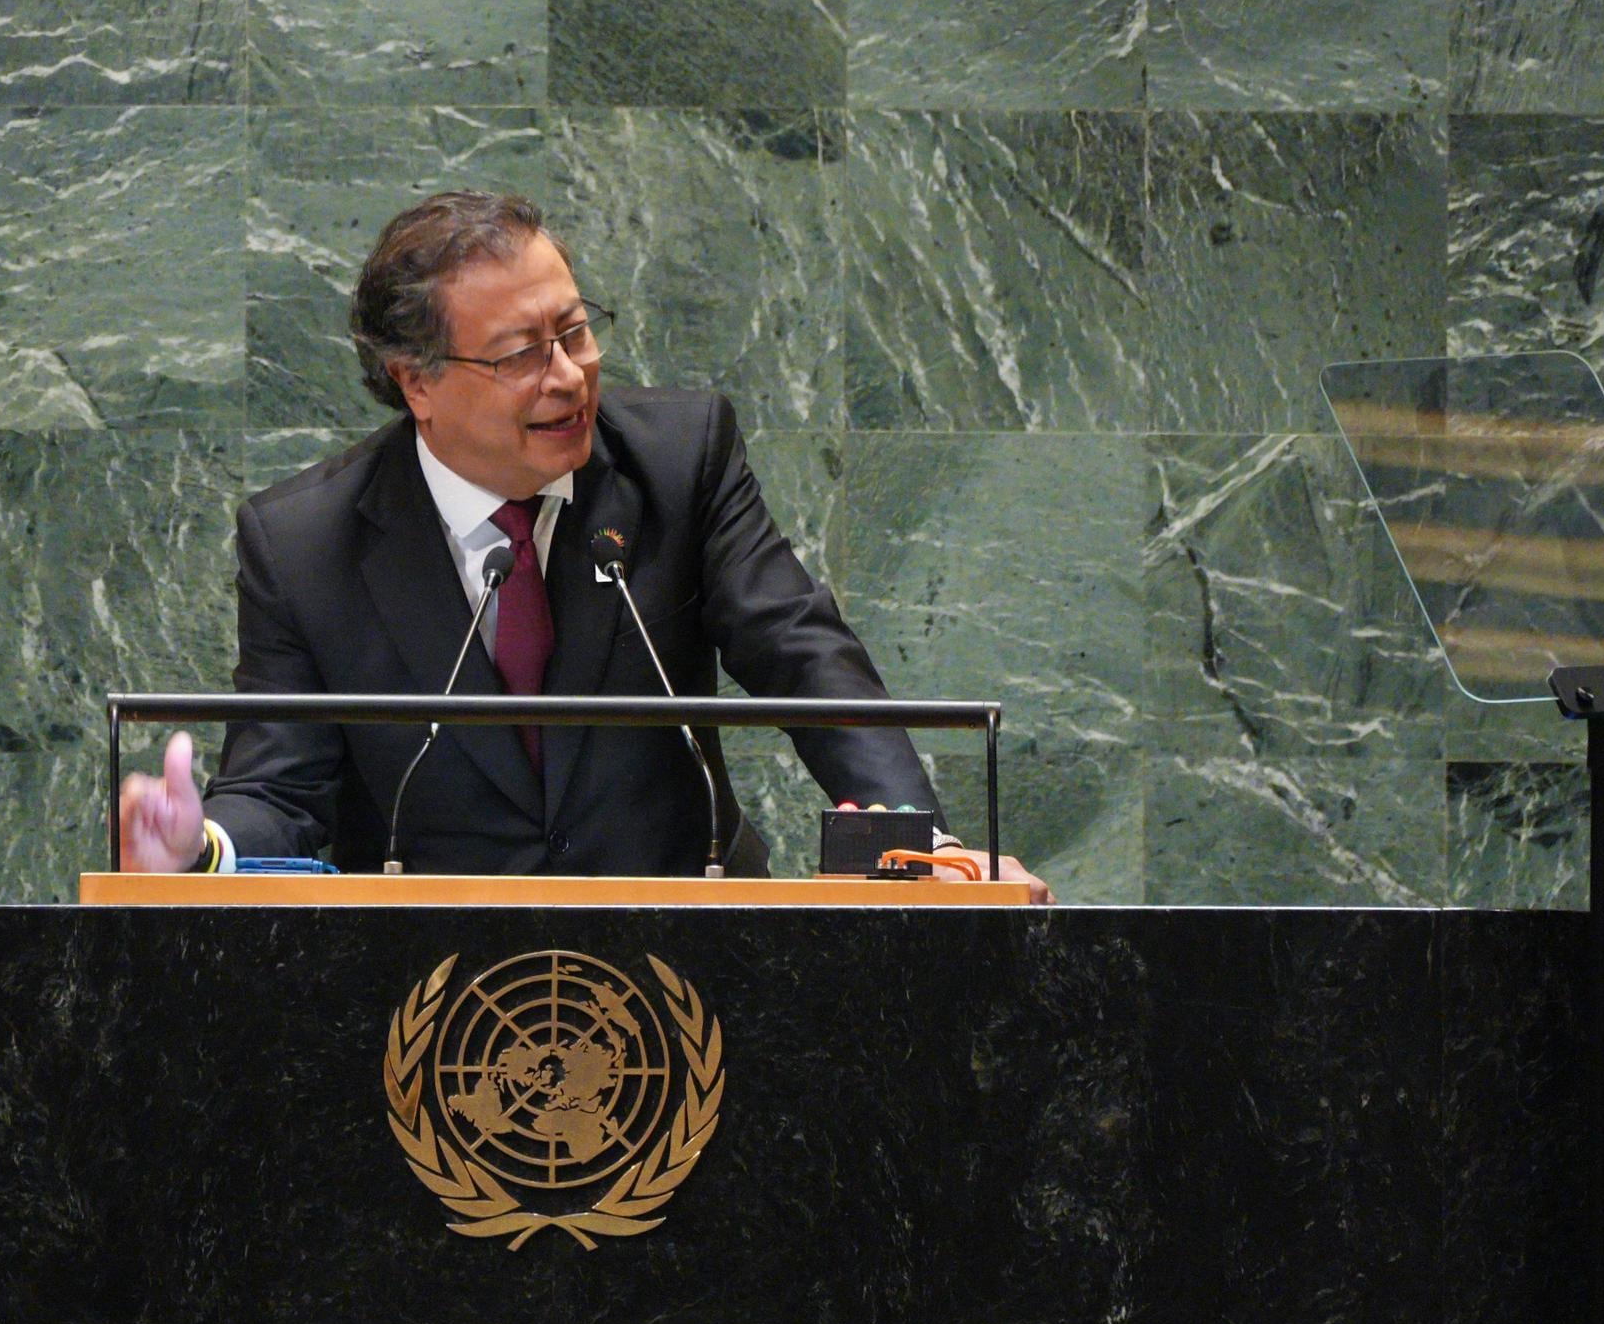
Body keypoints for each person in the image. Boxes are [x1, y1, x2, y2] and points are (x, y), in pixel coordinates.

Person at [117, 191, 1045, 890]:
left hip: (689, 940)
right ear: (418, 384)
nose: (567, 378)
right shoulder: (303, 543)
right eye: (520, 354)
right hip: (430, 991)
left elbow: (804, 659)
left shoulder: (679, 459)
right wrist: (196, 848)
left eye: (575, 333)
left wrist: (924, 848)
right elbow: (280, 789)